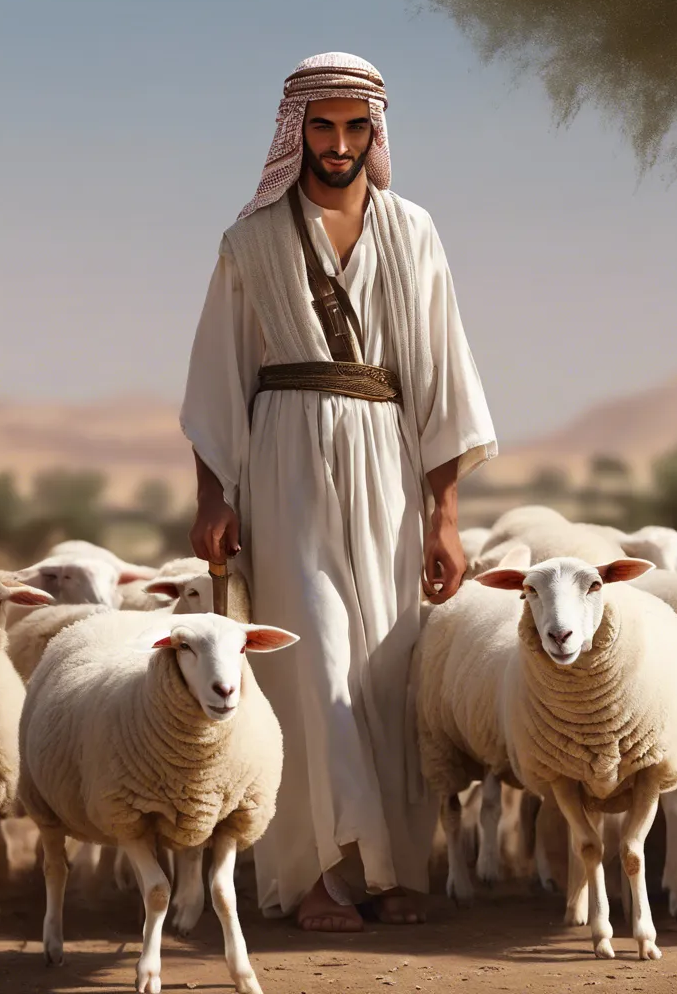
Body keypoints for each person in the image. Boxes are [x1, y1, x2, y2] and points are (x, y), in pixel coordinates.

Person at [179, 52, 497, 933]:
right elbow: (216, 380)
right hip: (282, 463)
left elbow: (439, 376)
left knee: (384, 669)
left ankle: (388, 869)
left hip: (389, 465)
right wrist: (214, 497)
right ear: (296, 131)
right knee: (311, 661)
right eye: (322, 127)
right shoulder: (249, 243)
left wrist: (445, 517)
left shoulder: (415, 232)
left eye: (356, 127)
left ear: (376, 132)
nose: (339, 144)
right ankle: (317, 875)